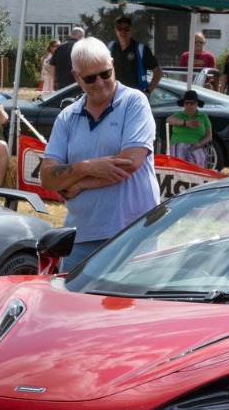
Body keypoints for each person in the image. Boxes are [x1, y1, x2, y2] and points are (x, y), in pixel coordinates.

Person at [39, 37, 159, 273]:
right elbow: (47, 177)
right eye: (90, 78)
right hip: (81, 236)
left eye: (105, 73)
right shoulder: (67, 116)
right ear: (76, 77)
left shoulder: (135, 102)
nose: (100, 82)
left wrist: (78, 184)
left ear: (112, 65)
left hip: (132, 234)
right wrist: (85, 167)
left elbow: (129, 163)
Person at [109, 16, 161, 93]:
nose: (123, 31)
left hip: (135, 96)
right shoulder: (110, 48)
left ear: (131, 31)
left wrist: (148, 92)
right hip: (115, 95)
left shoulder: (141, 50)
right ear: (116, 30)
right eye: (120, 28)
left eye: (126, 28)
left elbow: (158, 72)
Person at [165, 90, 213, 167]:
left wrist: (199, 144)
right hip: (178, 144)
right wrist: (186, 123)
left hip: (196, 145)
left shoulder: (203, 116)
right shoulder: (179, 115)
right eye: (186, 103)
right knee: (177, 159)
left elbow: (209, 136)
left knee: (198, 158)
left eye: (192, 103)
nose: (189, 106)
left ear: (197, 104)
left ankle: (195, 174)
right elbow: (168, 120)